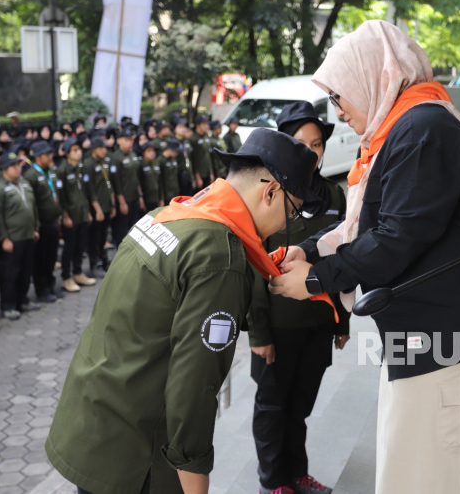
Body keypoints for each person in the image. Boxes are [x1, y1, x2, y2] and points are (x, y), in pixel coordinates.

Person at [268, 20, 460, 494]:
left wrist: (315, 279)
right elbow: (366, 226)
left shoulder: (423, 128)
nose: (338, 111)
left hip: (452, 349)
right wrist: (305, 251)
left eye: (340, 95)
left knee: (445, 477)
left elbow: (399, 234)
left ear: (374, 76)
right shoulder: (404, 128)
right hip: (430, 343)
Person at [46, 128, 322, 494]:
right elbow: (194, 384)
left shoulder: (167, 214)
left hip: (92, 422)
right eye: (293, 211)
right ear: (270, 192)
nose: (288, 225)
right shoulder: (220, 256)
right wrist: (193, 477)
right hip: (136, 452)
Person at [247, 102, 349, 494]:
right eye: (299, 142)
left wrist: (342, 320)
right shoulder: (266, 195)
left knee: (301, 405)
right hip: (277, 325)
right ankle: (273, 481)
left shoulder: (336, 197)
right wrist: (258, 333)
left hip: (319, 323)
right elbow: (254, 269)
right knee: (272, 405)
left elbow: (345, 261)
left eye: (317, 143)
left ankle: (296, 472)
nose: (310, 151)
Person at [0, 152, 41, 320]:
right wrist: (4, 238)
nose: (18, 168)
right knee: (9, 274)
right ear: (4, 169)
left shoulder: (24, 183)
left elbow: (33, 207)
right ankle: (8, 305)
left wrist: (35, 227)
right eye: (14, 166)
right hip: (12, 239)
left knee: (25, 271)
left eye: (19, 165)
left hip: (27, 235)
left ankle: (22, 300)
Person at [24, 141, 63, 303]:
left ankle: (50, 285)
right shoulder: (31, 175)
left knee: (51, 256)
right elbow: (31, 203)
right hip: (42, 222)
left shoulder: (51, 171)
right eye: (47, 154)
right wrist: (35, 225)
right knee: (41, 258)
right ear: (39, 157)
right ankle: (42, 290)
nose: (50, 157)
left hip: (53, 220)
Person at [56, 139, 97, 293]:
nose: (78, 152)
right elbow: (61, 197)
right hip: (70, 217)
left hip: (82, 214)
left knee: (80, 246)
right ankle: (66, 278)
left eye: (79, 149)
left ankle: (78, 273)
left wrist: (87, 212)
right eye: (74, 150)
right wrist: (65, 216)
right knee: (70, 248)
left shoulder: (80, 168)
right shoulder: (62, 170)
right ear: (67, 154)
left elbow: (84, 193)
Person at [83, 137, 113, 278]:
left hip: (106, 204)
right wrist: (97, 209)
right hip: (97, 208)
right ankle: (94, 264)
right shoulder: (88, 164)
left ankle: (104, 260)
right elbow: (90, 190)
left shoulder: (104, 162)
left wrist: (111, 204)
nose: (104, 150)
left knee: (103, 236)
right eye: (101, 148)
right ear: (94, 149)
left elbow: (108, 184)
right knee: (94, 238)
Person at [110, 128, 142, 245]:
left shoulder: (133, 155)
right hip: (124, 199)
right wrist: (122, 202)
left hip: (135, 197)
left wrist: (140, 196)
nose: (130, 142)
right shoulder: (116, 157)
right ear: (118, 141)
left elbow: (136, 178)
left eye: (131, 140)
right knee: (122, 228)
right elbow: (116, 183)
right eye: (126, 140)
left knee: (134, 226)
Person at [139, 142, 163, 211]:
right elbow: (139, 183)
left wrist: (161, 198)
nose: (152, 153)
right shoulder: (141, 165)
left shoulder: (156, 164)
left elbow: (159, 181)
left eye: (153, 151)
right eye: (149, 151)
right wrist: (141, 199)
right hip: (146, 199)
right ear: (143, 152)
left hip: (156, 198)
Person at [159, 140, 182, 205]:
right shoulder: (161, 161)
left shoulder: (173, 159)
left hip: (175, 191)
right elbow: (160, 181)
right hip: (166, 194)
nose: (176, 153)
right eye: (175, 151)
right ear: (169, 149)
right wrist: (161, 197)